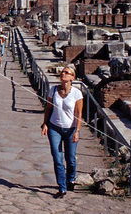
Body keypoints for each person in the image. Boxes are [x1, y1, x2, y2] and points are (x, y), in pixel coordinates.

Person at [41, 65, 83, 199]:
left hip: (70, 130)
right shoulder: (53, 90)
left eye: (67, 72)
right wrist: (45, 124)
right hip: (54, 128)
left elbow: (78, 113)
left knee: (70, 158)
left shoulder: (77, 93)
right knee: (57, 158)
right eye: (62, 72)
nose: (63, 74)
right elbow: (48, 108)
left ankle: (70, 179)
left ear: (72, 77)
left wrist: (77, 131)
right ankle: (62, 187)